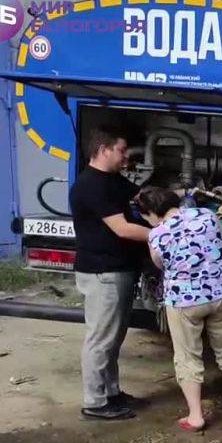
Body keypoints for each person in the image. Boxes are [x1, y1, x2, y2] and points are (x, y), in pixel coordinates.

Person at [136, 187, 222, 433]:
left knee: (187, 357)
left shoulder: (157, 234)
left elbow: (159, 263)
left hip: (185, 301)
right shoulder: (207, 215)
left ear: (152, 212)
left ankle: (196, 416)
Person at [69, 126, 150, 421]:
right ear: (104, 149)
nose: (126, 156)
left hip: (119, 269)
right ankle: (95, 402)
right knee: (101, 339)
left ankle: (111, 392)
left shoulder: (113, 180)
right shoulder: (91, 185)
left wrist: (183, 194)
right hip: (103, 272)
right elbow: (123, 228)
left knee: (114, 337)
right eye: (122, 150)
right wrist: (164, 233)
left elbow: (143, 196)